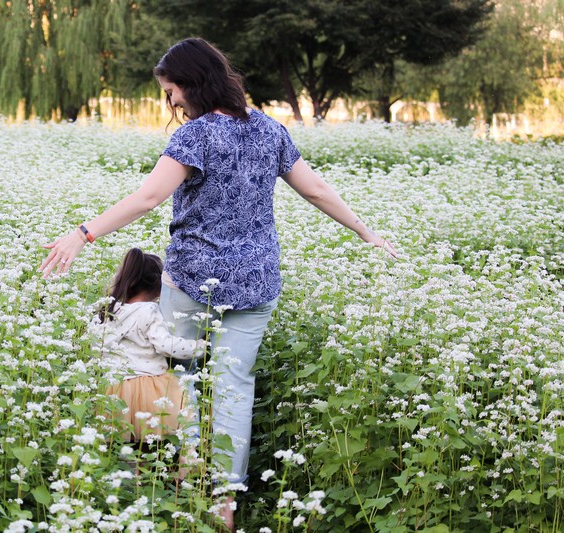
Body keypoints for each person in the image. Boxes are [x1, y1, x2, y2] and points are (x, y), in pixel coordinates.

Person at [39, 37, 397, 531]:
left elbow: (148, 197)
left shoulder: (196, 137)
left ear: (191, 83)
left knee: (183, 380)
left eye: (171, 92)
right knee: (233, 390)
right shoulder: (270, 130)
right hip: (255, 282)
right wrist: (366, 233)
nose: (172, 103)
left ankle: (186, 482)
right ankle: (223, 505)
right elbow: (315, 189)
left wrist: (84, 233)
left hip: (192, 281)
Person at [91, 247, 207, 443]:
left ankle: (128, 470)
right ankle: (188, 461)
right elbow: (165, 345)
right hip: (150, 388)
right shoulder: (149, 310)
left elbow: (96, 348)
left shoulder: (108, 311)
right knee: (184, 411)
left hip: (116, 390)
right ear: (158, 285)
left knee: (120, 442)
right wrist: (200, 346)